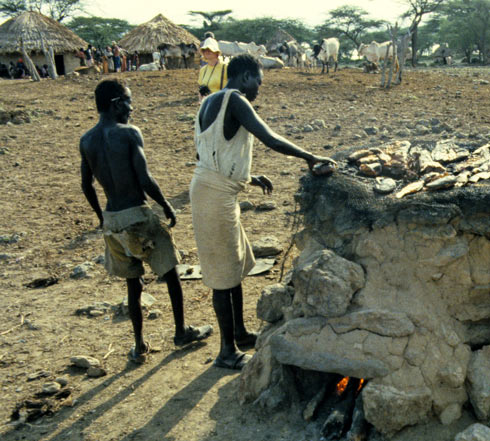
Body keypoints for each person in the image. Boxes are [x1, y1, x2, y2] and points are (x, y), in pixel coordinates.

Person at [190, 54, 335, 370]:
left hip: (215, 189)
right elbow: (269, 137)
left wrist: (248, 178)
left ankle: (239, 332)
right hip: (215, 197)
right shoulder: (236, 100)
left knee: (234, 267)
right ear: (244, 77)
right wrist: (309, 156)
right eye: (258, 80)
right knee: (221, 277)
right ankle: (226, 352)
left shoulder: (208, 102)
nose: (259, 88)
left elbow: (209, 151)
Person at [80, 79, 212, 363]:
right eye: (128, 101)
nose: (131, 107)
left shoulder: (86, 140)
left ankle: (139, 345)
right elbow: (144, 177)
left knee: (133, 282)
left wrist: (100, 216)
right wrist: (166, 205)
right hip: (137, 215)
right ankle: (181, 332)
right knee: (171, 271)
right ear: (116, 104)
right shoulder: (129, 133)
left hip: (113, 220)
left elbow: (86, 184)